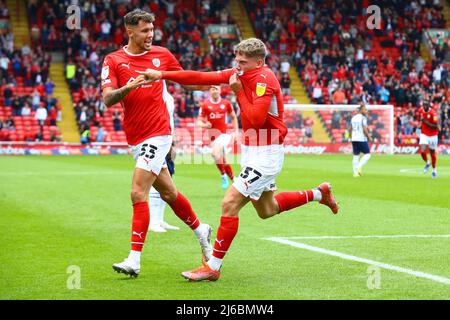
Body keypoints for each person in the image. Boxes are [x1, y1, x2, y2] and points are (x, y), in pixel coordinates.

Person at [137, 38, 339, 281]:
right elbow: (201, 77)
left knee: (229, 203)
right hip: (252, 150)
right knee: (267, 209)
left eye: (243, 61)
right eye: (236, 60)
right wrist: (161, 74)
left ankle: (212, 267)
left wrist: (238, 91)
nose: (238, 65)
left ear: (259, 62)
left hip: (267, 153)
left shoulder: (265, 79)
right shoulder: (240, 73)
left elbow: (254, 120)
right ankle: (319, 193)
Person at [101, 9, 212, 277]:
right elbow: (108, 99)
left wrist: (215, 81)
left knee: (138, 193)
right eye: (145, 31)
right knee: (169, 194)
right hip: (135, 138)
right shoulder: (113, 60)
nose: (151, 35)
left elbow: (187, 81)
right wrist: (131, 86)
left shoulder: (163, 56)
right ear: (130, 32)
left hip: (159, 132)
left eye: (152, 30)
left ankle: (134, 260)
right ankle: (202, 231)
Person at [197, 85, 238, 189]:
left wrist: (236, 132)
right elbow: (199, 121)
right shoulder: (205, 105)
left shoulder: (226, 103)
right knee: (223, 160)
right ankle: (234, 179)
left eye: (216, 88)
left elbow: (233, 117)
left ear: (220, 90)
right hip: (213, 137)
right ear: (210, 91)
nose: (214, 91)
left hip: (223, 135)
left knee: (215, 153)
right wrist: (204, 125)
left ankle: (223, 175)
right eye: (212, 89)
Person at [349, 104, 372, 177]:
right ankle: (359, 167)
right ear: (361, 110)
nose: (366, 111)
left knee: (356, 155)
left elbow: (350, 128)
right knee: (367, 154)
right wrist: (369, 137)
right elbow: (364, 129)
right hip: (361, 138)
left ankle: (355, 173)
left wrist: (350, 137)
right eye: (365, 109)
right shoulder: (363, 118)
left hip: (354, 138)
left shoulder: (353, 118)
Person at [418, 101, 439, 179]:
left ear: (429, 105)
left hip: (433, 135)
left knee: (432, 153)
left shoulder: (433, 114)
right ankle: (427, 162)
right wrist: (420, 124)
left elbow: (435, 126)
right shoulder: (420, 110)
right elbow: (420, 119)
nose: (424, 106)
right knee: (422, 150)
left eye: (426, 105)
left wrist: (425, 121)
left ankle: (434, 170)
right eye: (424, 105)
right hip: (424, 134)